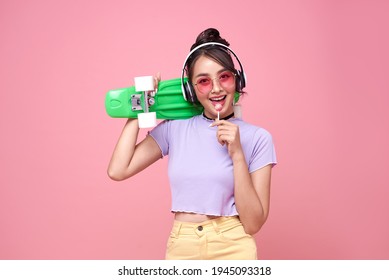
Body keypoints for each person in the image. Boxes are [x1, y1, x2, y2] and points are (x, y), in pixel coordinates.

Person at [107, 28, 277, 260]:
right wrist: (141, 105)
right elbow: (118, 170)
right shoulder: (174, 128)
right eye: (204, 81)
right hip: (182, 246)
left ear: (237, 80)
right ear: (191, 89)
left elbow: (254, 223)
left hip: (234, 246)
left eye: (224, 77)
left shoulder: (258, 138)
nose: (216, 88)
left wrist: (237, 155)